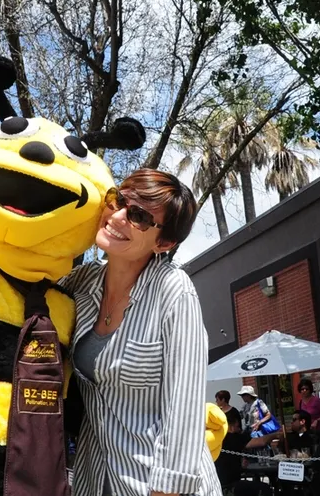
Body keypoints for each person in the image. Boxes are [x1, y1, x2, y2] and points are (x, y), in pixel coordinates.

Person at [61, 169, 221, 496]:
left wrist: (166, 491)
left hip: (160, 485)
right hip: (96, 476)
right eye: (118, 201)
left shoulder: (173, 291)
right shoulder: (80, 282)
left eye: (138, 216)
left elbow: (185, 409)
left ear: (164, 242)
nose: (117, 216)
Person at [214, 413, 279, 495]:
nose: (239, 429)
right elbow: (262, 442)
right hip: (230, 486)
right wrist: (275, 435)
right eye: (237, 426)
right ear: (231, 426)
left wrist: (240, 462)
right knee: (265, 488)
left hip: (217, 484)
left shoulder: (216, 439)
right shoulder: (234, 437)